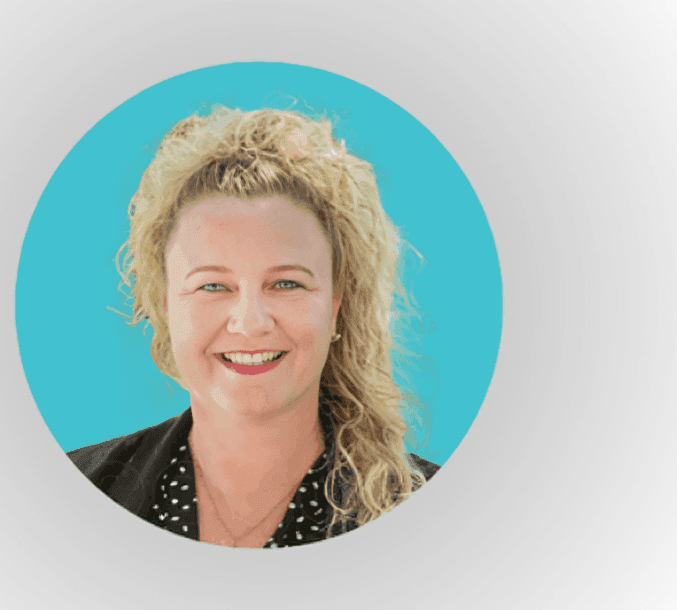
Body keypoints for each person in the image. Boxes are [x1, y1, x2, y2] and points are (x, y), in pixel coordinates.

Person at [68, 105, 439, 548]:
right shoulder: (68, 497)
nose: (250, 322)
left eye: (286, 283)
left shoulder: (442, 518)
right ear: (165, 305)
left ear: (335, 306)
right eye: (212, 286)